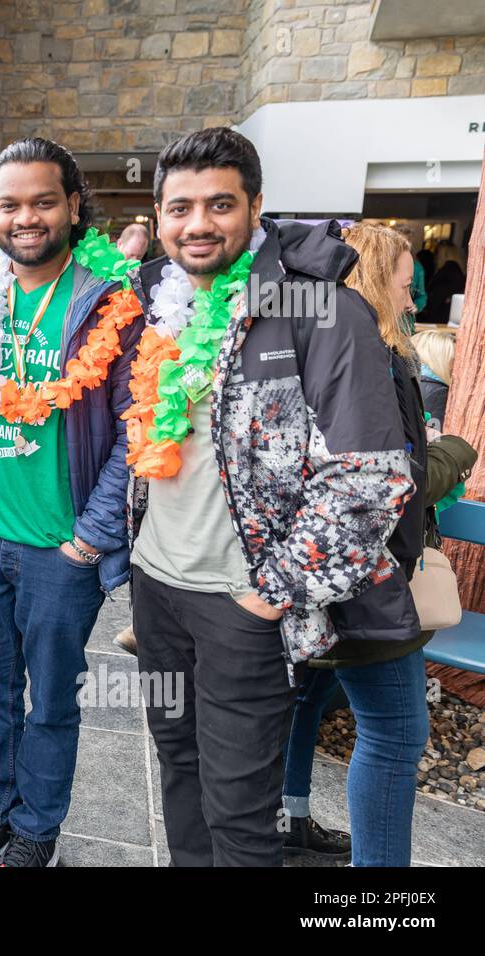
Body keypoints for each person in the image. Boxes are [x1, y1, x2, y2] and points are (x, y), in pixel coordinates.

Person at [128, 127, 415, 867]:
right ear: (159, 216)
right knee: (179, 774)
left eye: (219, 204)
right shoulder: (155, 302)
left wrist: (272, 594)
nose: (198, 224)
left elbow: (371, 479)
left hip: (244, 607)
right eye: (180, 207)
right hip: (158, 591)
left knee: (238, 816)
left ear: (256, 208)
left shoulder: (319, 309)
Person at [0, 138, 143, 868]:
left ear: (73, 206)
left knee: (51, 701)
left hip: (62, 548)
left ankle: (37, 830)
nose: (26, 218)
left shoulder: (107, 305)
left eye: (42, 202)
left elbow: (135, 430)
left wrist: (89, 538)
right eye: (10, 204)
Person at [280, 223, 478, 866]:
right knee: (396, 734)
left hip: (311, 575)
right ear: (371, 276)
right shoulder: (375, 357)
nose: (413, 292)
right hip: (362, 578)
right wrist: (454, 452)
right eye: (403, 278)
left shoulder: (312, 345)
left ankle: (292, 819)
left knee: (305, 699)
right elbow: (390, 484)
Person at [411, 328, 455, 430]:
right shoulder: (439, 392)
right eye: (453, 359)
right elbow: (435, 439)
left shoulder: (403, 380)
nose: (456, 365)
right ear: (440, 359)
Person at [422, 241, 466, 325]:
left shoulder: (448, 270)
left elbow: (438, 295)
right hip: (445, 317)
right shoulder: (455, 270)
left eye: (438, 253)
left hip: (439, 317)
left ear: (443, 254)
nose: (436, 256)